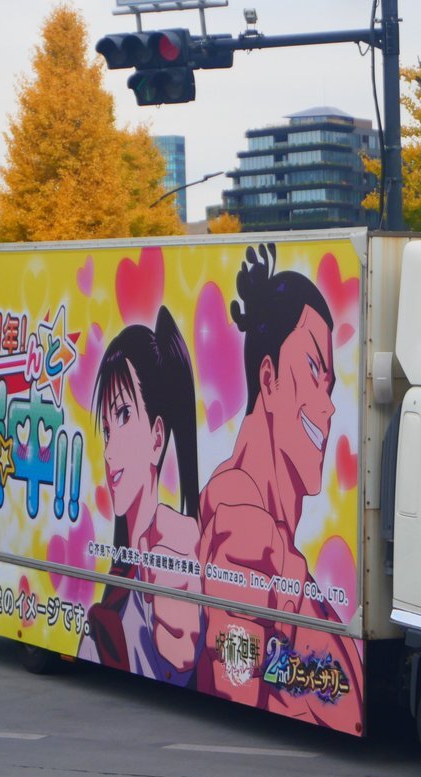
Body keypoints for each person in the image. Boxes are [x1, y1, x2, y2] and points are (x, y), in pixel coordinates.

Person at [198, 243, 361, 732]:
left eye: (330, 385)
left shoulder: (266, 529)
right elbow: (236, 677)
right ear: (267, 378)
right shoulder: (241, 520)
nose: (328, 406)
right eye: (313, 370)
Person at [79, 306, 204, 686]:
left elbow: (181, 649)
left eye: (123, 415)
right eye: (106, 428)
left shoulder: (172, 550)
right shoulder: (121, 577)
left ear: (156, 437)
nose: (108, 449)